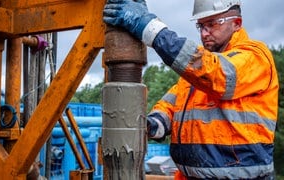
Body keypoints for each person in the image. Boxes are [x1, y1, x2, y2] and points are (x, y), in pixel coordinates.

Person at [103, 0, 279, 179]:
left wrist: (150, 29)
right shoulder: (198, 72)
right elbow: (171, 105)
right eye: (200, 26)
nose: (204, 33)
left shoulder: (255, 57)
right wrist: (153, 124)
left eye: (211, 24)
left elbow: (217, 75)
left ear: (236, 23)